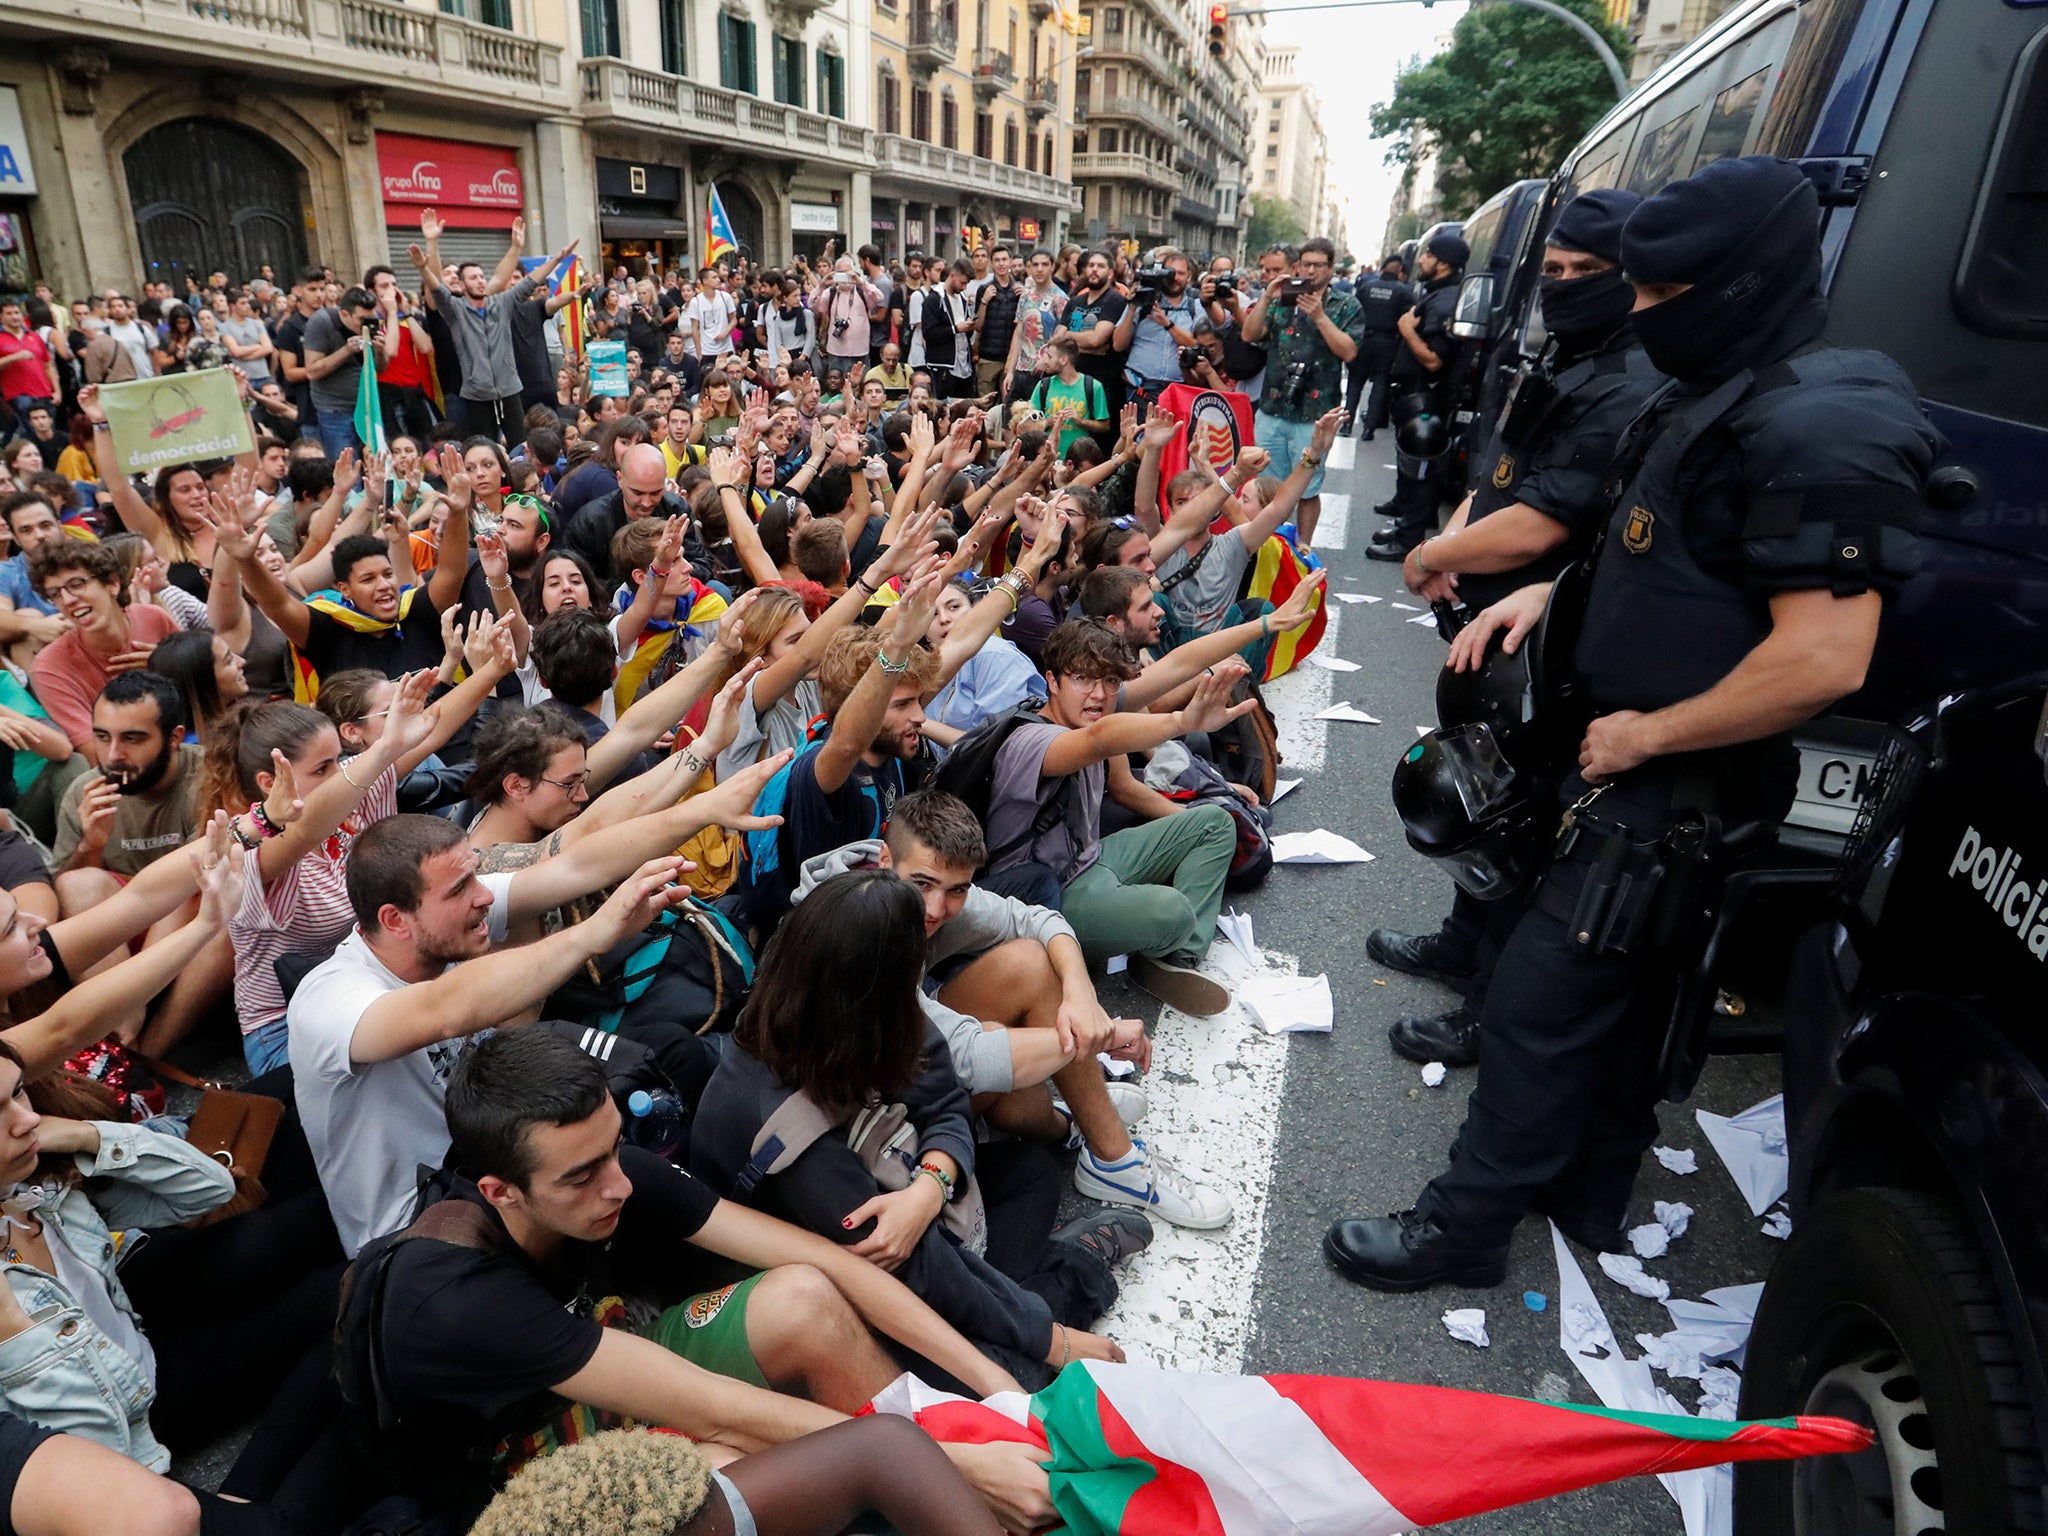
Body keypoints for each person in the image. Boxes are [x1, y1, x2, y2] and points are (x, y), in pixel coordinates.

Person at [1324, 155, 1943, 1291]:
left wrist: (1647, 739)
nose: (1641, 317)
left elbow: (1820, 655)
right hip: (1623, 757)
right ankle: (1584, 1189)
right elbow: (1646, 552)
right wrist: (1546, 594)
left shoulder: (1823, 418)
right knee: (1611, 1008)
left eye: (1661, 296)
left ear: (1742, 285)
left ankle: (1460, 1230)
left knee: (1536, 1007)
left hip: (1667, 780)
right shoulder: (1717, 393)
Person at [350, 1026, 1047, 1533]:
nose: (617, 1186)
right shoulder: (453, 1295)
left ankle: (958, 1492)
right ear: (501, 1192)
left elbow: (831, 1262)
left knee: (804, 1295)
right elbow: (717, 1409)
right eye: (582, 1176)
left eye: (612, 1146)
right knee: (718, 1463)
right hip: (521, 1472)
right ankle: (946, 1493)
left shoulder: (601, 1168)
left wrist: (1001, 1389)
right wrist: (953, 1464)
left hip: (610, 1356)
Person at [1371, 191, 1663, 1070]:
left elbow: (1543, 520)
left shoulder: (1630, 380)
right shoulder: (1566, 354)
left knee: (1522, 820)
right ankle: (1463, 945)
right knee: (1483, 794)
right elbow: (1501, 478)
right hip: (1488, 628)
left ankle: (1485, 1009)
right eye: (1558, 271)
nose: (1566, 286)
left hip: (1549, 644)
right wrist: (1455, 538)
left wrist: (1434, 551)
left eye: (1588, 274)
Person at [693, 872, 1137, 1390]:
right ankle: (1074, 1270)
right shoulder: (779, 1120)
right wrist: (1046, 1335)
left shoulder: (858, 1007)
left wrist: (930, 1187)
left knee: (1032, 1174)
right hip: (848, 1274)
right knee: (998, 1373)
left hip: (901, 1197)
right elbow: (908, 1264)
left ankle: (1012, 1298)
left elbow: (945, 1101)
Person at [986, 620, 1251, 1015]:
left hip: (1089, 859)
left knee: (1214, 822)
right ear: (1052, 682)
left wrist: (1268, 622)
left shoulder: (1090, 711)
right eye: (1081, 679)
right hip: (1049, 899)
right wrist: (1182, 722)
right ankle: (1154, 938)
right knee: (1174, 911)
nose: (1098, 694)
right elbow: (1097, 740)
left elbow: (1177, 664)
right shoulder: (1034, 739)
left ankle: (1172, 962)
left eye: (1110, 681)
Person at [1238, 237, 1362, 549]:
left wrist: (1320, 317)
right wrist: (1267, 297)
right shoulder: (1283, 300)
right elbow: (1249, 334)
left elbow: (1349, 351)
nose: (1310, 271)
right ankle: (1264, 547)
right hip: (1273, 407)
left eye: (1318, 265)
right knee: (1266, 484)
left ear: (1330, 269)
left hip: (1314, 413)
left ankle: (1301, 550)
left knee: (1307, 488)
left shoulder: (1347, 305)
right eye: (1305, 264)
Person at [414, 212, 576, 444]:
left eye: (482, 276)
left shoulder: (501, 302)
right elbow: (436, 288)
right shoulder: (455, 309)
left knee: (520, 446)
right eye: (473, 277)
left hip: (509, 389)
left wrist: (555, 259)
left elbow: (530, 281)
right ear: (462, 284)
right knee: (486, 447)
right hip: (476, 395)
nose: (480, 280)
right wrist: (424, 264)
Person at [50, 672, 202, 916]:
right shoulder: (84, 791)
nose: (112, 756)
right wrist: (90, 847)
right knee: (79, 883)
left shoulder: (211, 777)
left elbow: (200, 878)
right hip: (121, 923)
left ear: (174, 738)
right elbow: (64, 894)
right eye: (102, 737)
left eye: (131, 739)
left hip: (191, 917)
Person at [1366, 231, 1467, 562]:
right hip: (1415, 395)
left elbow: (1435, 359)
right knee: (1413, 463)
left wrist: (1407, 330)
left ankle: (1409, 541)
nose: (1420, 260)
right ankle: (1407, 523)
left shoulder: (1445, 301)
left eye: (1428, 255)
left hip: (1428, 398)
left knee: (1422, 467)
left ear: (1443, 263)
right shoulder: (1436, 294)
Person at [27, 543, 181, 759]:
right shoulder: (49, 667)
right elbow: (98, 755)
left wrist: (169, 664)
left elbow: (206, 687)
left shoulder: (154, 618)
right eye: (55, 594)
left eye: (77, 584)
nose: (68, 600)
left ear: (112, 583)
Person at [1118, 250, 1203, 410]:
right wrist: (1132, 307)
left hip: (1176, 390)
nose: (1175, 278)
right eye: (1171, 273)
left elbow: (1196, 344)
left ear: (1189, 276)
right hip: (1139, 388)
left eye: (1180, 273)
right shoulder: (1144, 301)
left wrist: (1167, 324)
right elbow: (1118, 344)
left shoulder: (1195, 307)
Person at [1055, 250, 1128, 430]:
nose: (1094, 270)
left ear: (1110, 273)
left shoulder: (1115, 300)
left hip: (1103, 385)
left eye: (1100, 266)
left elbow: (1097, 339)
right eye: (1091, 265)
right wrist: (1086, 345)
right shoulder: (1075, 301)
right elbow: (1057, 339)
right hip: (1074, 381)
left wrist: (1070, 337)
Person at [1344, 258, 1414, 440]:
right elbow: (1410, 318)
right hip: (1387, 342)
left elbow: (1354, 310)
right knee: (1380, 385)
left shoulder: (1367, 287)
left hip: (1363, 339)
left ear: (1383, 269)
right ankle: (1369, 429)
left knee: (1355, 382)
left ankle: (1346, 424)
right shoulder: (1403, 291)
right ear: (1399, 270)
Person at [1027, 337, 1109, 460]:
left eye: (1049, 357)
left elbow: (1105, 426)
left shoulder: (1093, 386)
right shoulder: (1044, 385)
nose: (1045, 362)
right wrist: (1049, 422)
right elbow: (1027, 425)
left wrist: (1081, 421)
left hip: (1079, 460)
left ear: (1063, 359)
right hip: (1047, 458)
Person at [919, 260, 977, 402]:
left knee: (965, 406)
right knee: (944, 407)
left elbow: (965, 333)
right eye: (962, 283)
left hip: (964, 365)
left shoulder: (962, 299)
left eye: (966, 284)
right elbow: (929, 333)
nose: (964, 287)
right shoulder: (934, 299)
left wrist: (969, 327)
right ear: (952, 275)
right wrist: (955, 329)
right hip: (943, 366)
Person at [0, 300, 59, 423]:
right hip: (19, 394)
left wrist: (57, 390)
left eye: (16, 312)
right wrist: (15, 357)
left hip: (44, 392)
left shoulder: (34, 336)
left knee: (48, 431)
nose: (14, 317)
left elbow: (48, 365)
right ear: (1, 317)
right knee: (32, 432)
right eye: (9, 313)